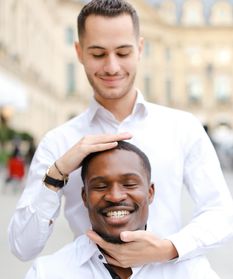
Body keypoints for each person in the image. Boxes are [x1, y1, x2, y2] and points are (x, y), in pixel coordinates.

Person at [8, 0, 233, 263]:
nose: (112, 67)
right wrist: (56, 175)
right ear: (79, 52)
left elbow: (222, 215)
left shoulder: (182, 127)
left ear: (140, 49)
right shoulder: (58, 141)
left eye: (123, 53)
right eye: (98, 54)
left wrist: (169, 248)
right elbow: (22, 247)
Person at [1, 142, 233, 279]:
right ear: (84, 196)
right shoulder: (49, 274)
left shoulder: (191, 271)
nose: (114, 195)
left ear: (150, 192)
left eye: (130, 184)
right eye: (100, 186)